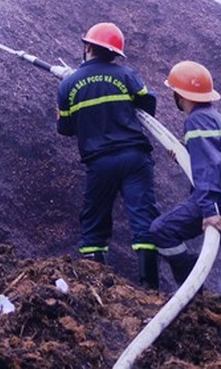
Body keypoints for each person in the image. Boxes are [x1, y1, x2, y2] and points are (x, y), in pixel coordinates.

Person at [150, 61, 221, 314]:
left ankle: (192, 287)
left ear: (180, 95)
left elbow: (207, 167)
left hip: (219, 198)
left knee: (162, 230)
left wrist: (210, 209)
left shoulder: (197, 120)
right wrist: (185, 151)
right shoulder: (217, 118)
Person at [56, 22, 161, 288]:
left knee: (94, 222)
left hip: (100, 162)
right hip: (135, 158)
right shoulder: (126, 75)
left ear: (88, 47)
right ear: (114, 53)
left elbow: (65, 128)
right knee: (144, 218)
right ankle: (151, 289)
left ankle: (99, 287)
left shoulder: (68, 85)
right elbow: (148, 104)